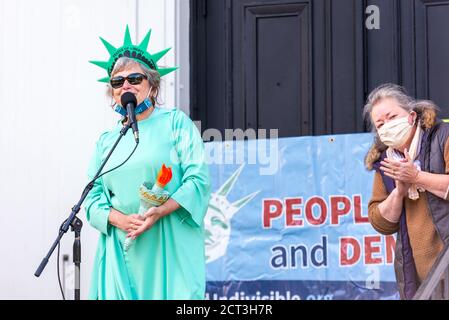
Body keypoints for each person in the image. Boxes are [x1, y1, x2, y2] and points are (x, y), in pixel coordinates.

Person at [84, 26, 211, 299]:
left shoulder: (176, 123)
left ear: (152, 85)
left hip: (167, 242)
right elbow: (92, 198)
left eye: (134, 78)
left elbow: (197, 179)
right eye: (118, 82)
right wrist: (119, 220)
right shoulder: (107, 141)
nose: (126, 85)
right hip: (121, 248)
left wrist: (160, 210)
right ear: (113, 93)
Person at [364, 83, 449, 299]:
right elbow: (380, 222)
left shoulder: (443, 136)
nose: (387, 126)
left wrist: (417, 177)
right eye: (380, 124)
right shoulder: (386, 162)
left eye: (392, 117)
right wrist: (399, 192)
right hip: (422, 281)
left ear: (411, 116)